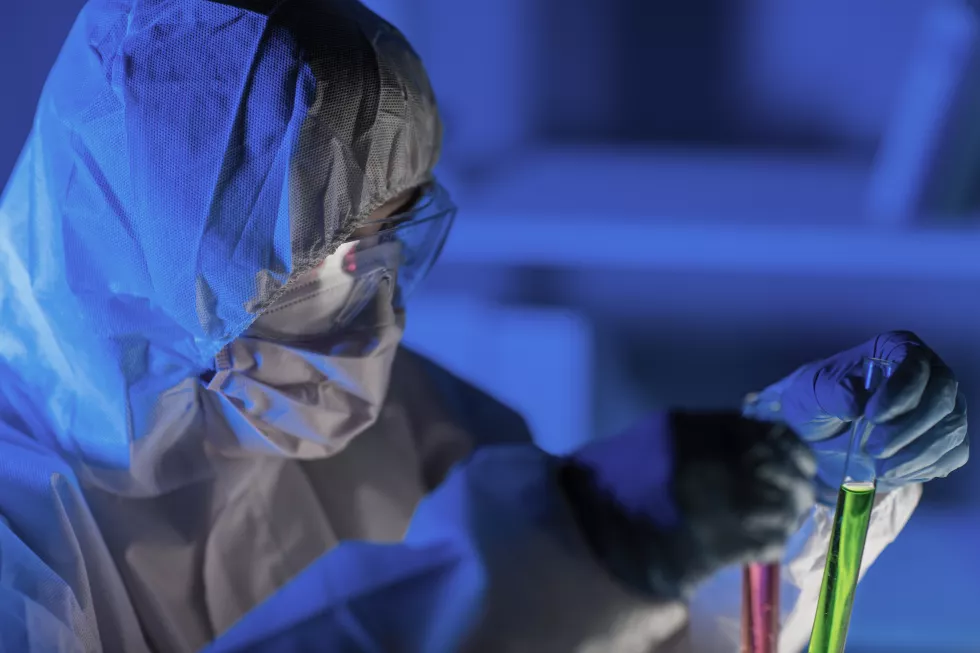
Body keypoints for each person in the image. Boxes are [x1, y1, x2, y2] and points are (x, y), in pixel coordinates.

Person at [0, 1, 967, 651]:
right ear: (155, 269)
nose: (381, 310)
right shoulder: (20, 539)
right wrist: (573, 545)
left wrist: (799, 486)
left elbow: (633, 630)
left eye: (395, 241)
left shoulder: (380, 406)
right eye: (339, 256)